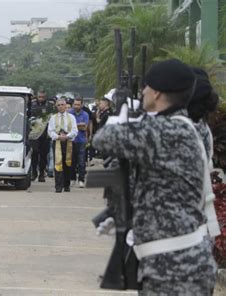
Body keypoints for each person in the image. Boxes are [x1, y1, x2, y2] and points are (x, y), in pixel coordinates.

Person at [93, 59, 217, 294]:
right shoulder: (180, 127)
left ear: (158, 93)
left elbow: (103, 138)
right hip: (175, 263)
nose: (143, 92)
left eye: (146, 88)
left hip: (174, 268)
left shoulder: (163, 131)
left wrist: (128, 115)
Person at [47, 98, 78, 193]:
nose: (60, 107)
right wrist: (58, 137)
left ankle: (67, 185)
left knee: (68, 163)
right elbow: (50, 131)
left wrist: (67, 136)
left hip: (68, 142)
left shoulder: (71, 117)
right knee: (58, 163)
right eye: (58, 105)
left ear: (66, 106)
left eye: (62, 105)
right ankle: (58, 186)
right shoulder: (53, 117)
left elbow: (74, 130)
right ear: (56, 106)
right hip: (57, 142)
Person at [30, 90, 55, 182]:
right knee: (34, 153)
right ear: (37, 96)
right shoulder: (32, 104)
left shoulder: (50, 106)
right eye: (39, 97)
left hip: (45, 135)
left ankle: (41, 173)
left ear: (45, 97)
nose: (41, 99)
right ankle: (34, 172)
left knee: (44, 155)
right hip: (34, 134)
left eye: (43, 97)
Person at [69, 97, 90, 188]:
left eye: (78, 104)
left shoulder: (85, 114)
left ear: (81, 105)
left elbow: (85, 127)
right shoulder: (69, 113)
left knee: (81, 161)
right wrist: (79, 125)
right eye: (75, 104)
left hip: (81, 140)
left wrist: (74, 126)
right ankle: (72, 179)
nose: (76, 106)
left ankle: (81, 179)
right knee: (72, 161)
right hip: (71, 140)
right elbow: (68, 126)